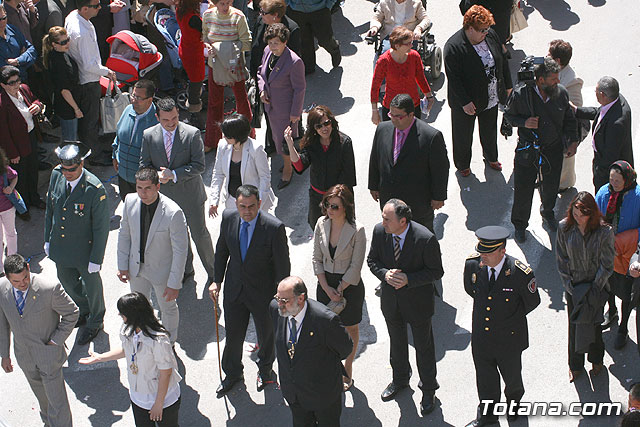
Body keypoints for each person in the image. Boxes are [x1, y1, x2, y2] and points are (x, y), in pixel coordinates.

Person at [208, 184, 290, 396]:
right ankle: (233, 373)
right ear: (236, 204)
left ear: (259, 204)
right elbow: (221, 252)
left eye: (251, 206)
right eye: (242, 206)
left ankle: (265, 370)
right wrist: (217, 281)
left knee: (266, 335)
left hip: (263, 294)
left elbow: (282, 266)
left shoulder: (274, 227)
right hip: (235, 290)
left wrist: (281, 297)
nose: (247, 211)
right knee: (233, 335)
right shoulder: (229, 218)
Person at [367, 199, 443, 415]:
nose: (383, 223)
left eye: (387, 219)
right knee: (397, 343)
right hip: (392, 302)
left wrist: (409, 279)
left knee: (424, 347)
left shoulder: (425, 238)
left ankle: (429, 390)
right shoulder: (380, 232)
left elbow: (436, 272)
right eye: (383, 217)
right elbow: (372, 260)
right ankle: (400, 379)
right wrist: (384, 274)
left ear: (403, 221)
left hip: (418, 304)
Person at [463, 226, 540, 427]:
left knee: (512, 378)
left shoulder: (520, 273)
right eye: (481, 251)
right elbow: (470, 289)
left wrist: (508, 319)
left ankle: (514, 405)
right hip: (482, 338)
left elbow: (532, 302)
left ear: (502, 251)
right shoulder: (473, 265)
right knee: (485, 379)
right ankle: (488, 416)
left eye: (487, 253)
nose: (483, 257)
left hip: (509, 339)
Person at [140, 97, 215, 286]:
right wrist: (156, 176)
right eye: (166, 120)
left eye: (174, 118)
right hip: (166, 199)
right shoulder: (149, 135)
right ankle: (186, 270)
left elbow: (199, 166)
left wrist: (173, 174)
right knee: (177, 238)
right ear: (157, 117)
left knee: (200, 235)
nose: (171, 123)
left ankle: (214, 272)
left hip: (190, 196)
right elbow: (144, 165)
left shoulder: (192, 134)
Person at [79, 292, 182, 427]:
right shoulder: (129, 330)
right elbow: (126, 350)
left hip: (163, 399)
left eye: (122, 313)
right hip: (139, 398)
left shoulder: (158, 340)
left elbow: (166, 373)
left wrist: (159, 403)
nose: (120, 316)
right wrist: (100, 358)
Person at [504, 56, 578, 242]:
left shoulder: (560, 93)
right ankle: (520, 225)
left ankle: (548, 212)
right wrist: (524, 122)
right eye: (553, 79)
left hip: (552, 148)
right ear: (541, 80)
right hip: (528, 149)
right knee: (523, 189)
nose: (558, 82)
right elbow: (508, 117)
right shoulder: (521, 95)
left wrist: (573, 140)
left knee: (551, 183)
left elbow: (569, 119)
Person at [0, 254, 78, 427]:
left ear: (28, 268)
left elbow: (72, 313)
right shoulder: (1, 289)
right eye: (16, 281)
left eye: (25, 278)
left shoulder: (49, 289)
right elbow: (2, 324)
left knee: (58, 404)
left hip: (48, 356)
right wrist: (4, 354)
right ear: (7, 277)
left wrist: (56, 341)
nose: (22, 284)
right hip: (25, 358)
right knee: (43, 400)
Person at [44, 141, 110, 346]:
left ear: (81, 164)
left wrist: (96, 257)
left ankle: (96, 320)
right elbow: (50, 210)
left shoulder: (93, 189)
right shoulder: (56, 175)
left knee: (92, 288)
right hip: (61, 247)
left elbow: (101, 227)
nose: (67, 173)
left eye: (71, 169)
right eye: (64, 169)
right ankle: (83, 310)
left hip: (84, 249)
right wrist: (47, 238)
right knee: (68, 283)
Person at [116, 167, 189, 343]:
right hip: (136, 269)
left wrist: (174, 283)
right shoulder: (130, 201)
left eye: (147, 188)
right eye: (139, 188)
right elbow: (124, 234)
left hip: (161, 272)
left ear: (158, 186)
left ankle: (169, 343)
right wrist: (122, 265)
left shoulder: (173, 212)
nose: (143, 193)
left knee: (168, 309)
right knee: (139, 308)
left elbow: (180, 251)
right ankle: (146, 340)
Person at [270, 276, 353, 426]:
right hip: (294, 394)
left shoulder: (325, 320)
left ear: (300, 298)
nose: (279, 304)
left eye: (284, 300)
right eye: (278, 298)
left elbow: (345, 348)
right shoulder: (276, 309)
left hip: (322, 395)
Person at [444, 5, 512, 176]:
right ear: (469, 28)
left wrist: (508, 86)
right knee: (463, 136)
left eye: (487, 29)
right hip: (467, 102)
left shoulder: (491, 36)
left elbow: (502, 61)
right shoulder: (453, 47)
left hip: (491, 96)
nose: (486, 33)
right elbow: (454, 79)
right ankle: (463, 164)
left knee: (489, 131)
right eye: (482, 30)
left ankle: (491, 157)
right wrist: (465, 102)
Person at [555, 191, 614, 383]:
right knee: (575, 326)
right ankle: (575, 365)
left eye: (582, 215)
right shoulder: (564, 228)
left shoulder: (604, 231)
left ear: (591, 214)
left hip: (596, 287)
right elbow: (561, 259)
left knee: (595, 325)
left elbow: (607, 263)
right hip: (574, 288)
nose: (578, 219)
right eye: (575, 214)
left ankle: (596, 361)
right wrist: (570, 286)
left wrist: (594, 288)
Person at [368, 93, 449, 232]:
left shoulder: (430, 136)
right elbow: (375, 158)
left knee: (420, 244)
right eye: (391, 115)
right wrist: (373, 185)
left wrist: (438, 196)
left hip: (417, 204)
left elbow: (440, 168)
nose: (393, 120)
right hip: (390, 199)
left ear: (411, 115)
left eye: (398, 116)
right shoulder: (382, 129)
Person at [312, 184, 365, 391]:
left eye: (334, 206)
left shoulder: (357, 230)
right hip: (325, 284)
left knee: (351, 327)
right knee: (326, 329)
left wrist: (340, 289)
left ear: (346, 208)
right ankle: (331, 367)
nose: (329, 210)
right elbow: (316, 258)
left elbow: (356, 266)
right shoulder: (320, 224)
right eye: (327, 205)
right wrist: (326, 288)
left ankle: (348, 365)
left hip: (348, 286)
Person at [65, 0, 118, 166]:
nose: (100, 7)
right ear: (85, 8)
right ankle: (94, 155)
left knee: (89, 119)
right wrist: (107, 72)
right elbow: (89, 65)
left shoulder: (73, 16)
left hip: (84, 79)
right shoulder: (82, 33)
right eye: (96, 6)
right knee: (90, 120)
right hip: (88, 81)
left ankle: (94, 147)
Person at [285, 105, 356, 229]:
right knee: (318, 230)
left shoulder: (344, 142)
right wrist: (290, 145)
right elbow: (300, 166)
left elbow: (349, 177)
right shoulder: (312, 143)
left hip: (339, 198)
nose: (324, 128)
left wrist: (338, 201)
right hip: (317, 198)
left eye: (326, 123)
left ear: (332, 122)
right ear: (314, 129)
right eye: (319, 126)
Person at [595, 161, 640, 349]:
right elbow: (595, 217)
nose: (613, 183)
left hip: (629, 253)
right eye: (611, 179)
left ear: (627, 180)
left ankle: (623, 327)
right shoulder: (604, 193)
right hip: (607, 250)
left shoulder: (637, 197)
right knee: (608, 285)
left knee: (627, 293)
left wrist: (625, 239)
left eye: (617, 181)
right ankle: (611, 311)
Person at [258, 23, 305, 189]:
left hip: (286, 110)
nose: (272, 46)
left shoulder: (294, 62)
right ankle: (289, 162)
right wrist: (262, 89)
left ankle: (288, 168)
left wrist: (295, 113)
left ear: (285, 42)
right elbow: (260, 73)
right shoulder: (267, 52)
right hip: (271, 108)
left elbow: (300, 89)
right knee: (277, 139)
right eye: (270, 43)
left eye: (276, 43)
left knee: (286, 141)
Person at [202, 0, 253, 152]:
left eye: (228, 3)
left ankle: (246, 136)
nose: (225, 7)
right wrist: (209, 48)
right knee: (214, 102)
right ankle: (212, 141)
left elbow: (247, 42)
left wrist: (225, 50)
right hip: (215, 65)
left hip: (234, 64)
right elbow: (204, 38)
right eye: (222, 3)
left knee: (241, 100)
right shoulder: (207, 15)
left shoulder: (238, 16)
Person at [0, 65, 46, 215]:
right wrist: (12, 154)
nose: (16, 85)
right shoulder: (2, 103)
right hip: (15, 143)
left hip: (30, 136)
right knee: (20, 175)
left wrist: (37, 106)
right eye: (11, 83)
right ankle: (22, 206)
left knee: (33, 169)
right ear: (3, 85)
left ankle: (34, 198)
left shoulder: (24, 89)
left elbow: (36, 100)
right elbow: (4, 132)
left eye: (17, 81)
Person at [574, 76, 633, 191]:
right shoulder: (615, 99)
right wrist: (576, 110)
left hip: (608, 173)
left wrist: (598, 174)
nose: (594, 93)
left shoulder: (616, 124)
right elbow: (599, 112)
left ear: (602, 95)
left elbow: (610, 157)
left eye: (595, 92)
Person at [209, 114, 274, 217]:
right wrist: (214, 200)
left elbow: (265, 178)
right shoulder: (223, 145)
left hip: (253, 204)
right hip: (232, 201)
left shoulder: (256, 149)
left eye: (227, 135)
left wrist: (257, 204)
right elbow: (218, 174)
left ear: (237, 136)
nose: (224, 137)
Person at [370, 26, 433, 124]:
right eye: (408, 43)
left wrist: (429, 96)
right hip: (392, 109)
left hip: (412, 107)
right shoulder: (383, 61)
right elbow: (375, 86)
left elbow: (421, 78)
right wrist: (375, 111)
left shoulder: (415, 56)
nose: (411, 46)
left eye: (411, 42)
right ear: (397, 45)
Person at [112, 79, 158, 201]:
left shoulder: (157, 122)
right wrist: (114, 155)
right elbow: (118, 136)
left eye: (138, 98)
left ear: (149, 100)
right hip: (123, 176)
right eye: (133, 95)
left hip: (143, 183)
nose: (133, 100)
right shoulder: (127, 110)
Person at [548, 39, 585, 192]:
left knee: (564, 160)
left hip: (563, 128)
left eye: (549, 55)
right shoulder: (550, 69)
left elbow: (576, 108)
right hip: (549, 125)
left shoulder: (572, 80)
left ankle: (563, 184)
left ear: (557, 60)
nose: (546, 57)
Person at [42, 26, 82, 142]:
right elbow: (64, 90)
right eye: (63, 42)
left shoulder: (60, 54)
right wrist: (76, 108)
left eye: (68, 39)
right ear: (54, 44)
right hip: (67, 107)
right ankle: (69, 161)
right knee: (70, 140)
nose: (67, 43)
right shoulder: (57, 62)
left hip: (67, 103)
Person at [286, 0, 341, 75]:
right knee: (304, 41)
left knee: (325, 39)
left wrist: (328, 6)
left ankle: (334, 50)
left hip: (319, 11)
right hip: (295, 11)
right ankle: (309, 66)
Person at [250, 0, 300, 80]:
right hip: (259, 74)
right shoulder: (261, 21)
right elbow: (255, 47)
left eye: (264, 13)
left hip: (279, 78)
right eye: (260, 11)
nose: (260, 14)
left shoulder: (291, 29)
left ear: (275, 15)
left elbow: (292, 59)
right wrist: (253, 72)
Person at [175, 0, 205, 117]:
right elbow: (207, 31)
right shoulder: (193, 19)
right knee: (196, 80)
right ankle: (194, 109)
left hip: (185, 48)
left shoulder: (180, 10)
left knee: (193, 78)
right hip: (194, 53)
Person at [0, 4, 37, 82]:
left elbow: (32, 51)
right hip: (7, 87)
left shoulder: (12, 29)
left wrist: (18, 61)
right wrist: (24, 61)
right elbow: (4, 70)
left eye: (3, 18)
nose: (1, 22)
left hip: (25, 81)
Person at [0, 148, 19, 262]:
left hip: (7, 208)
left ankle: (12, 260)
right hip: (6, 208)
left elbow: (15, 176)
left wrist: (10, 188)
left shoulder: (5, 170)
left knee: (10, 233)